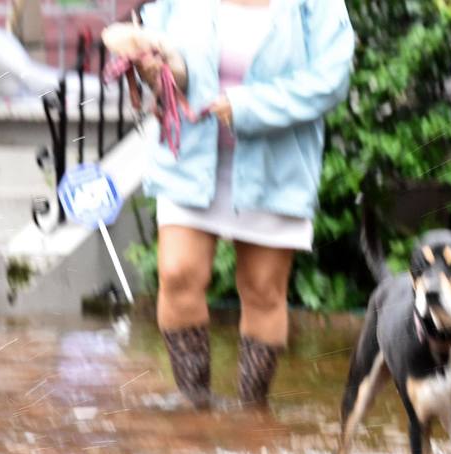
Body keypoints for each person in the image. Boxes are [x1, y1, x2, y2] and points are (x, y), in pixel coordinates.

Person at [111, 0, 354, 408]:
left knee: (262, 291)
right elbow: (166, 57)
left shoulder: (317, 6)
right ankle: (195, 407)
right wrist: (157, 70)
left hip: (275, 169)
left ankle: (251, 414)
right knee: (177, 275)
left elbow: (331, 80)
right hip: (190, 159)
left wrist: (248, 106)